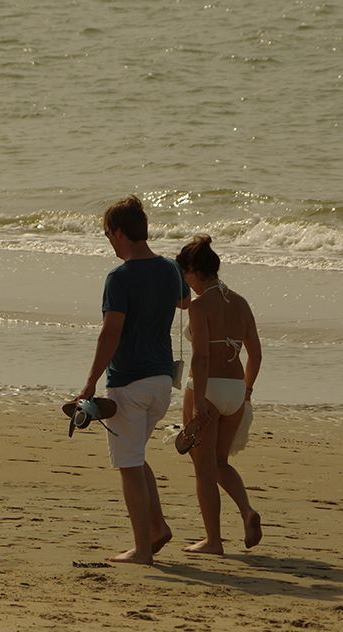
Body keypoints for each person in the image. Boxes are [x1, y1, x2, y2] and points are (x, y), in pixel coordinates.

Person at [74, 195, 190, 565]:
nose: (108, 239)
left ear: (120, 232)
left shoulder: (120, 277)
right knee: (135, 457)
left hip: (129, 384)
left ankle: (142, 550)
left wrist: (90, 382)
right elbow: (189, 303)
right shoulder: (172, 269)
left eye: (108, 233)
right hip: (161, 383)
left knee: (127, 465)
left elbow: (110, 334)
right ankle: (157, 528)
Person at [174, 235, 262, 554]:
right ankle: (247, 511)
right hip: (236, 390)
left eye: (184, 275)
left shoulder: (200, 305)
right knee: (221, 462)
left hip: (207, 389)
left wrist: (198, 404)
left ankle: (213, 541)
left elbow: (200, 358)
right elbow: (256, 354)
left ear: (195, 271)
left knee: (203, 469)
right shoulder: (240, 303)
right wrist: (247, 393)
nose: (185, 284)